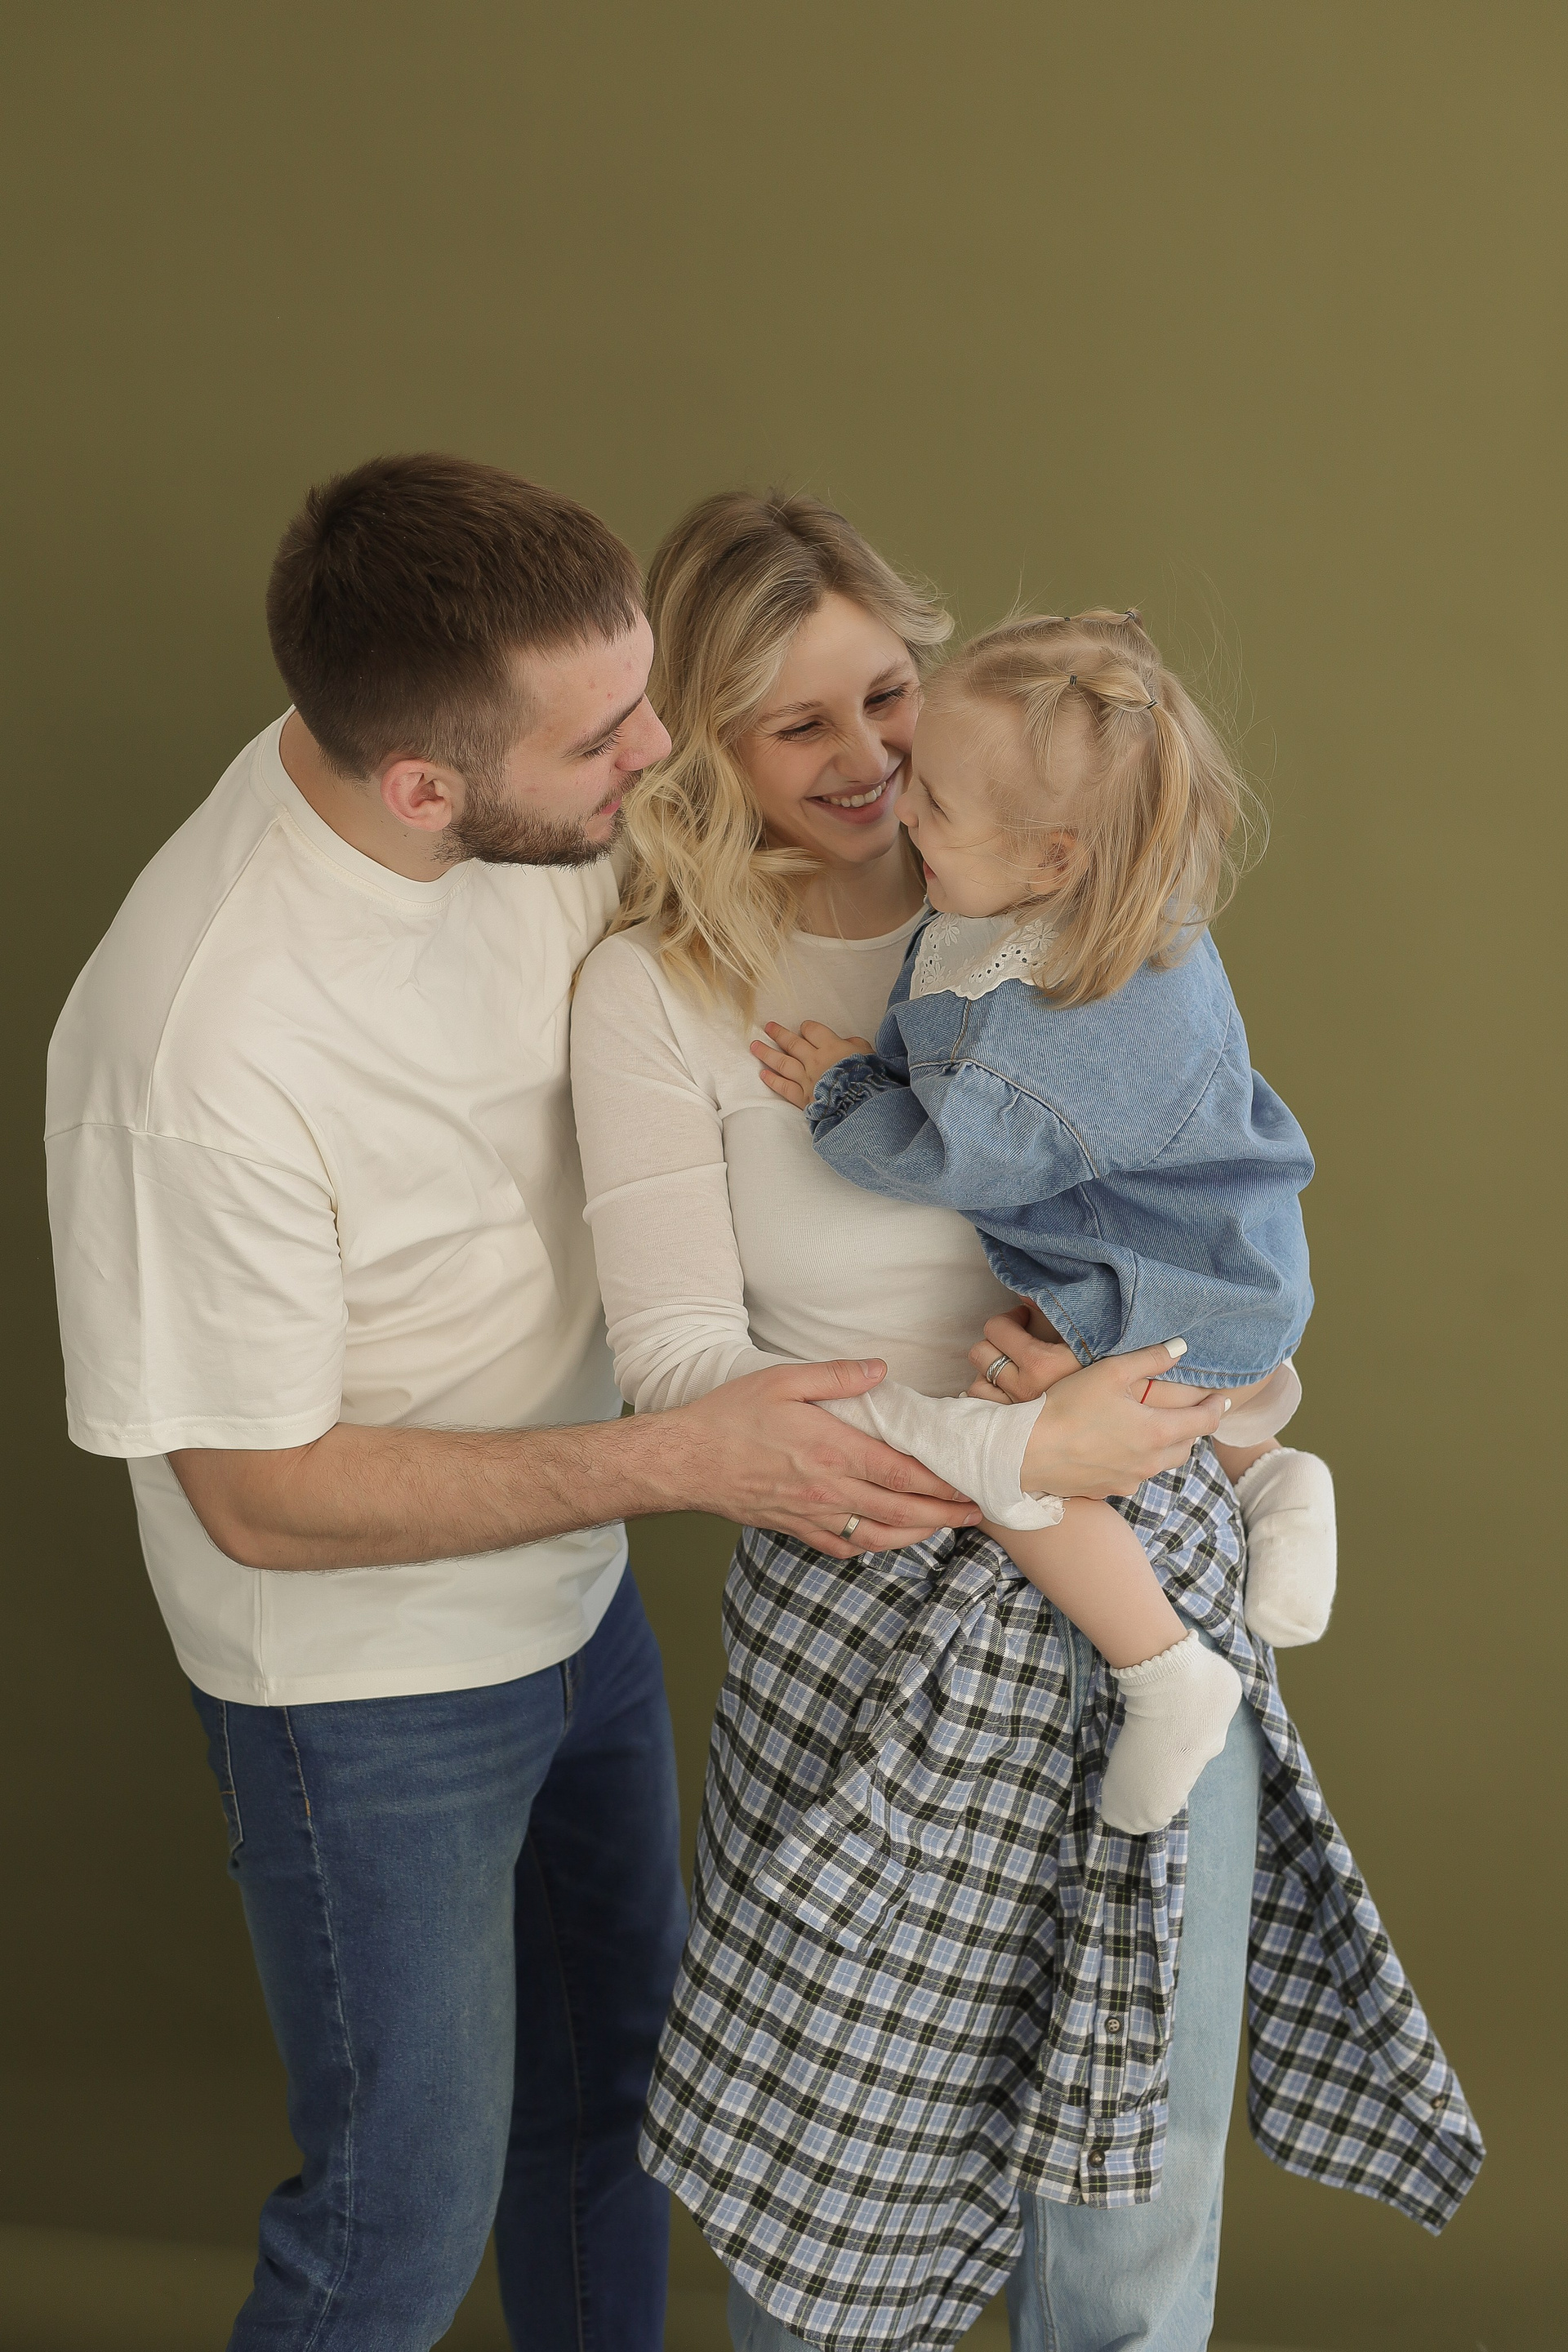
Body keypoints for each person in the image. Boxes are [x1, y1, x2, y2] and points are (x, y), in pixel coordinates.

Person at [43, 454, 1216, 2352]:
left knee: (607, 2128)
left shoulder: (545, 813)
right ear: (428, 790)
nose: (658, 754)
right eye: (608, 737)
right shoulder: (196, 1048)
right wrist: (690, 1454)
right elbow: (256, 1495)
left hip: (574, 1610)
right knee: (398, 2218)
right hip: (363, 1681)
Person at [570, 490, 1481, 2352]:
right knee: (830, 2231)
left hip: (1149, 1595)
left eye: (887, 698)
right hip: (862, 1610)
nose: (869, 760)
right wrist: (1017, 1455)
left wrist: (1213, 1409)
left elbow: (1198, 1210)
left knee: (1129, 2222)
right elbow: (675, 1369)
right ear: (701, 743)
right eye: (796, 723)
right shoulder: (656, 991)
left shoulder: (1059, 907)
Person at [750, 608, 1340, 1833]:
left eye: (935, 806)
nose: (903, 808)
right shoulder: (1121, 895)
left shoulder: (1034, 1042)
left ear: (1053, 858)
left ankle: (1161, 1669)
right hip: (1227, 1245)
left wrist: (844, 1088)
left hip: (1166, 1278)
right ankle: (1275, 1471)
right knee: (1106, 1387)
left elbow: (943, 1158)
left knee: (1009, 1426)